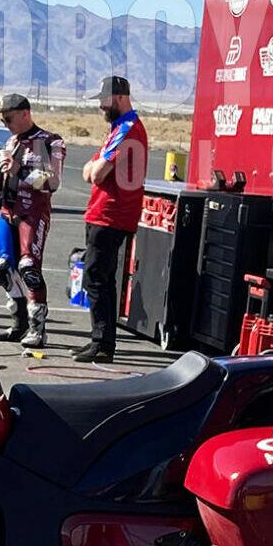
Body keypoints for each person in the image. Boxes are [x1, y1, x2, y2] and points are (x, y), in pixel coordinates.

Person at [0, 93, 65, 349]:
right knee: (4, 268)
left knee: (29, 268)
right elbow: (0, 186)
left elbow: (53, 183)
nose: (6, 123)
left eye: (9, 118)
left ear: (25, 114)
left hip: (33, 214)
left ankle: (38, 330)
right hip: (7, 213)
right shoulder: (11, 141)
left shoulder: (51, 141)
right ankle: (19, 325)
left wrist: (20, 170)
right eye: (3, 120)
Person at [77, 74, 149, 364]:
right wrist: (95, 167)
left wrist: (95, 167)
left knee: (96, 278)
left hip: (110, 214)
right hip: (104, 212)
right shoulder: (119, 128)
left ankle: (103, 342)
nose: (101, 107)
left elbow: (95, 173)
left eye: (105, 101)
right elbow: (88, 171)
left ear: (119, 98)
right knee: (101, 278)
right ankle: (101, 340)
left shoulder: (127, 128)